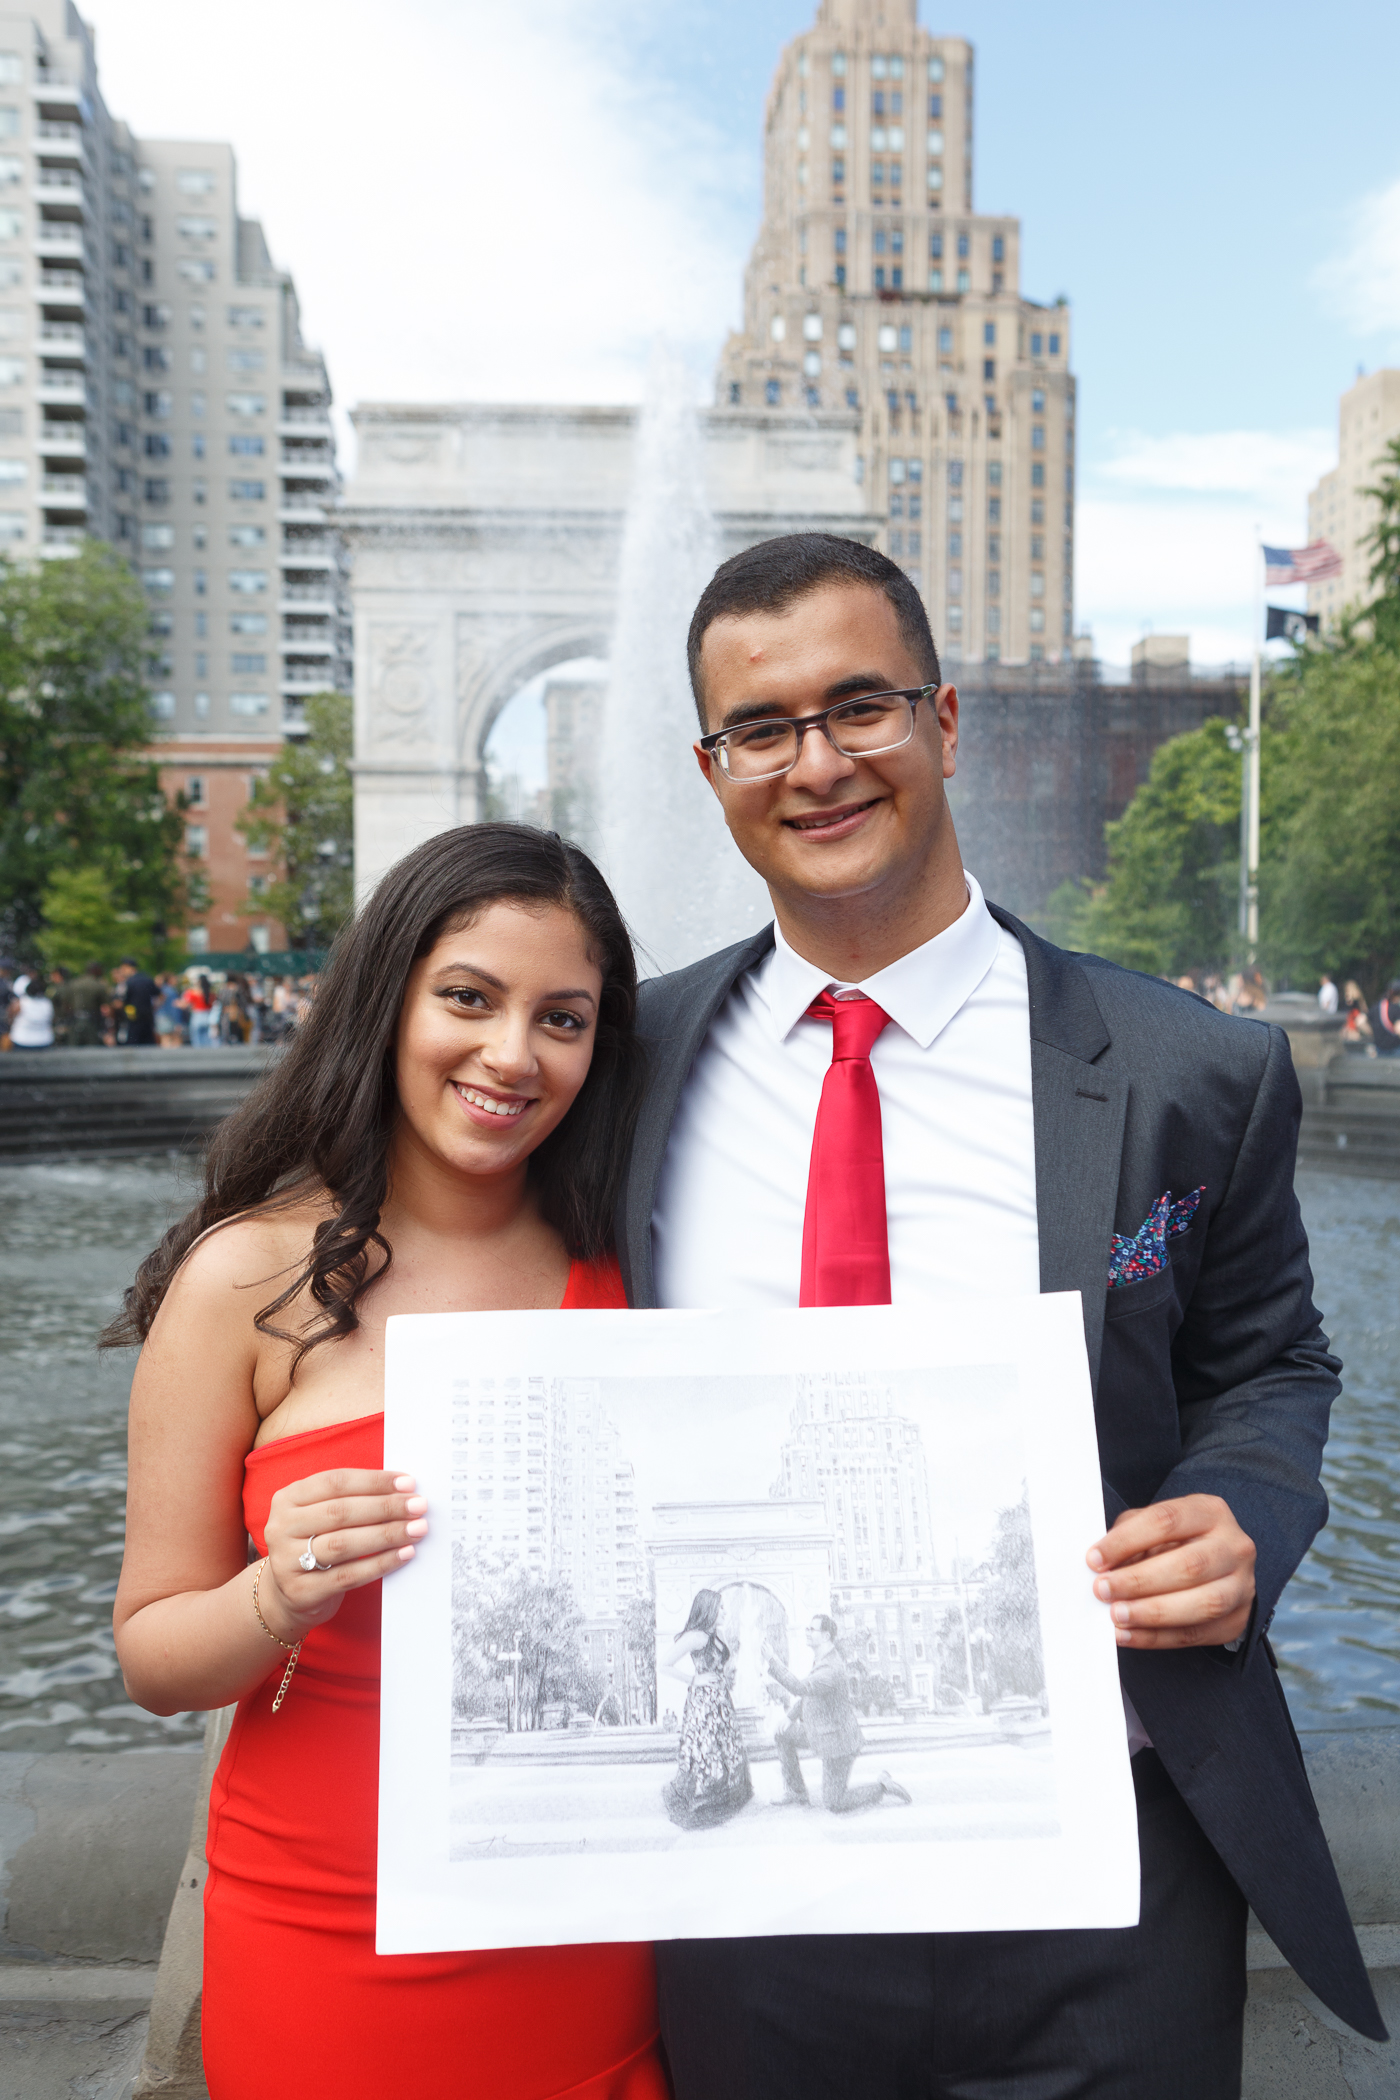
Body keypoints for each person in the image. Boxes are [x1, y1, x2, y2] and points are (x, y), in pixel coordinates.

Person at [613, 535, 1384, 2095]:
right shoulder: (625, 1067)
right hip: (750, 1888)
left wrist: (1238, 1511)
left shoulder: (1188, 1071)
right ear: (712, 772)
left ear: (946, 723)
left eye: (860, 706)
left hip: (1103, 1868)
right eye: (762, 728)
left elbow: (1270, 1363)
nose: (817, 762)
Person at [109, 824, 665, 2100]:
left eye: (563, 1018)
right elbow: (151, 1654)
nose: (511, 1054)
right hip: (327, 1932)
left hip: (587, 1919)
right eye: (467, 998)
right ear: (386, 998)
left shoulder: (632, 1265)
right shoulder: (245, 1275)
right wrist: (272, 1593)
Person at [762, 1616, 909, 1815]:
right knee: (782, 1733)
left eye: (811, 1629)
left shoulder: (831, 1668)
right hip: (820, 1732)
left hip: (838, 1743)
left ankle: (882, 1787)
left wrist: (773, 1660)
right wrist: (790, 1716)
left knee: (834, 1803)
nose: (807, 1632)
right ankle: (796, 1792)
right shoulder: (823, 1659)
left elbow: (800, 1687)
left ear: (825, 1636)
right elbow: (810, 1695)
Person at [660, 1588, 752, 1829]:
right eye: (720, 1607)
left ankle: (723, 1795)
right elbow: (664, 1664)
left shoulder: (716, 1633)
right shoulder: (695, 1637)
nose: (724, 1611)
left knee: (724, 1747)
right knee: (705, 1749)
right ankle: (705, 1800)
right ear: (709, 1609)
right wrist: (693, 1680)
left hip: (721, 1701)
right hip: (703, 1704)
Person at [54, 960, 109, 1047]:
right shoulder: (98, 985)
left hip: (73, 1021)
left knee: (73, 1048)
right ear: (96, 970)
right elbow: (105, 1007)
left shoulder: (73, 984)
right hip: (92, 1022)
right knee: (92, 1050)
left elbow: (65, 1004)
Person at [112, 957, 158, 1047]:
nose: (122, 971)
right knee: (148, 1046)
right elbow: (160, 996)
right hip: (148, 1019)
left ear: (130, 968)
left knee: (132, 1047)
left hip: (132, 1020)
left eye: (123, 968)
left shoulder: (126, 983)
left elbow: (118, 1003)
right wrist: (155, 1007)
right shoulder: (147, 979)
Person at [9, 972, 54, 1049]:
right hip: (44, 1040)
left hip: (22, 1040)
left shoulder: (20, 1003)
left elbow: (10, 1017)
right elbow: (51, 1018)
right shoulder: (47, 1003)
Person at [1367, 980, 1400, 1057]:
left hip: (1379, 1049)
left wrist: (1372, 1033)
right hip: (1395, 1050)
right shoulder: (1396, 1009)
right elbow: (1398, 1029)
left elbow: (1361, 1021)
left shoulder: (1376, 1007)